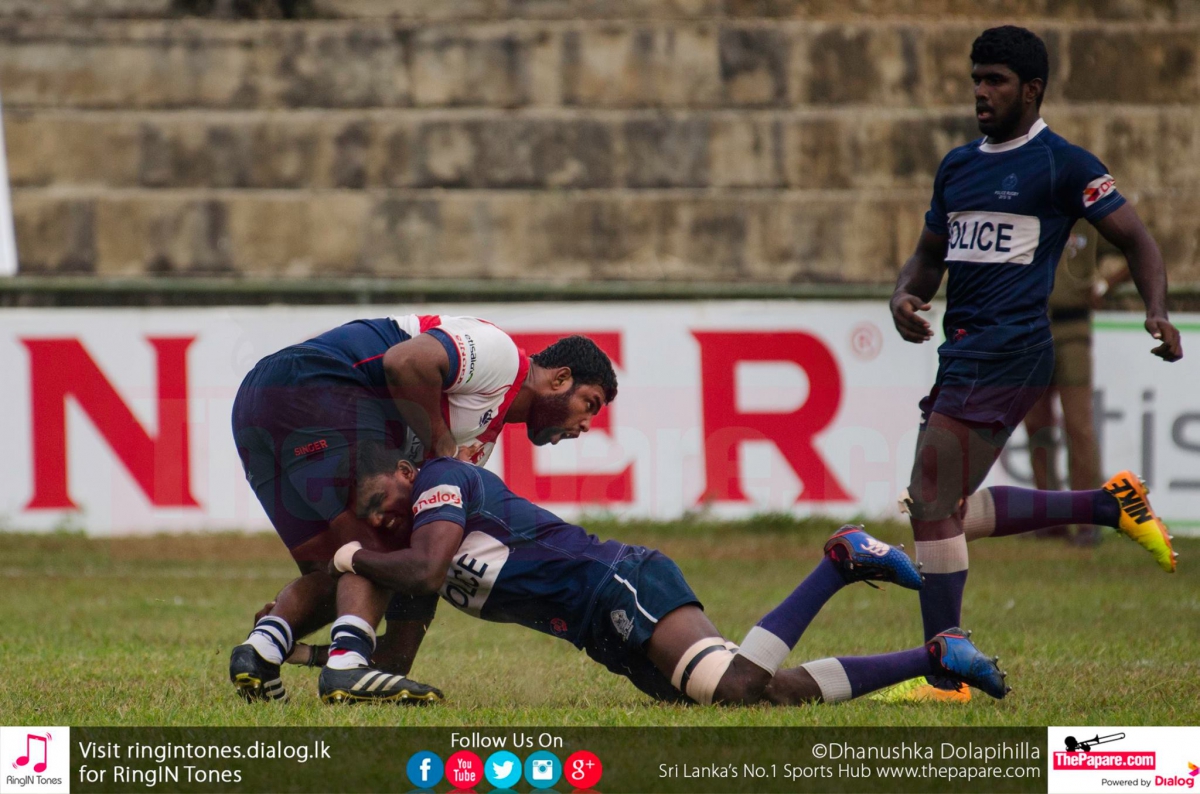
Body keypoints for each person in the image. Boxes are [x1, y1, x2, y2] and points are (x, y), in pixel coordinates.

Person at [887, 26, 1181, 703]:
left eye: (995, 80)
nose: (981, 92)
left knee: (930, 497)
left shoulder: (1062, 164)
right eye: (976, 79)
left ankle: (945, 677)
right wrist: (904, 295)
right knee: (941, 506)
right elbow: (928, 255)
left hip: (1012, 351)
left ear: (1031, 90)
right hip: (962, 350)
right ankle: (1106, 505)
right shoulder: (957, 166)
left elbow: (1137, 240)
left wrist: (1157, 310)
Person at [295, 443, 1009, 706]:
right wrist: (309, 655)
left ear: (406, 471)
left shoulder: (440, 482)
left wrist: (349, 558)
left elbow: (424, 571)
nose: (381, 518)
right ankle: (937, 656)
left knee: (734, 688)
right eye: (369, 518)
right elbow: (393, 661)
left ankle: (839, 560)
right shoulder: (413, 540)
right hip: (596, 629)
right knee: (767, 696)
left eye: (379, 501)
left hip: (617, 583)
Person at [228, 315, 618, 702]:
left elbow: (421, 541)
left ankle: (262, 648)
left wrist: (400, 647)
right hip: (314, 379)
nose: (586, 424)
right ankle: (347, 664)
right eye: (590, 403)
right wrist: (441, 444)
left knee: (333, 567)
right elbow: (406, 361)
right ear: (560, 378)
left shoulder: (480, 439)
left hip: (256, 406)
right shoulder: (503, 356)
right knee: (382, 545)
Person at [1022, 229, 1129, 545]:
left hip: (1073, 329)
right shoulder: (1031, 212)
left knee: (1078, 424)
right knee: (1036, 423)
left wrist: (1106, 284)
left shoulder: (1089, 220)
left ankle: (1087, 517)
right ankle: (1047, 515)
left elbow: (1135, 245)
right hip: (1030, 328)